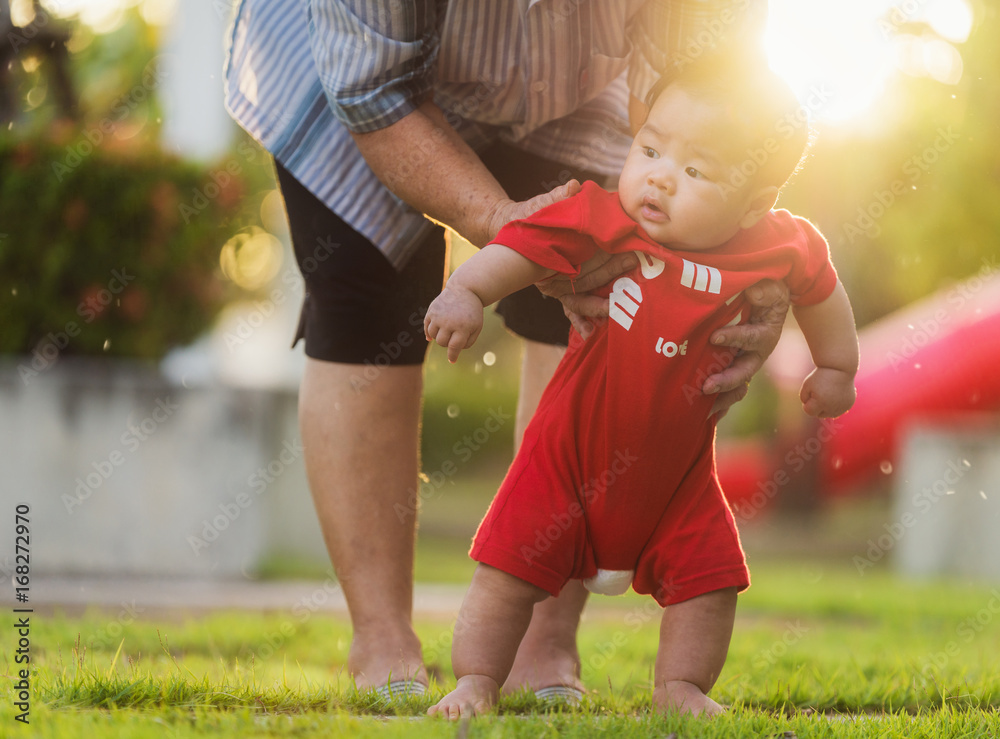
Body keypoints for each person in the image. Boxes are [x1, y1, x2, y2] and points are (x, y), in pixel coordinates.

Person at [224, 0, 787, 700]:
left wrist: (744, 271)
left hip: (579, 82)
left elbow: (719, 95)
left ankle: (542, 644)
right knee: (367, 303)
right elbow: (371, 89)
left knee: (602, 297)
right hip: (365, 74)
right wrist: (508, 232)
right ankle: (381, 638)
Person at [423, 51, 859, 718]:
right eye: (650, 148)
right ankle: (476, 680)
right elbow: (519, 244)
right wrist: (465, 291)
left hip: (679, 481)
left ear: (755, 204)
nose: (659, 177)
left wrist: (837, 366)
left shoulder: (778, 245)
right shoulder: (602, 218)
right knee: (506, 573)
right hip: (566, 462)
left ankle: (680, 688)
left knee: (711, 582)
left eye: (694, 170)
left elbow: (822, 290)